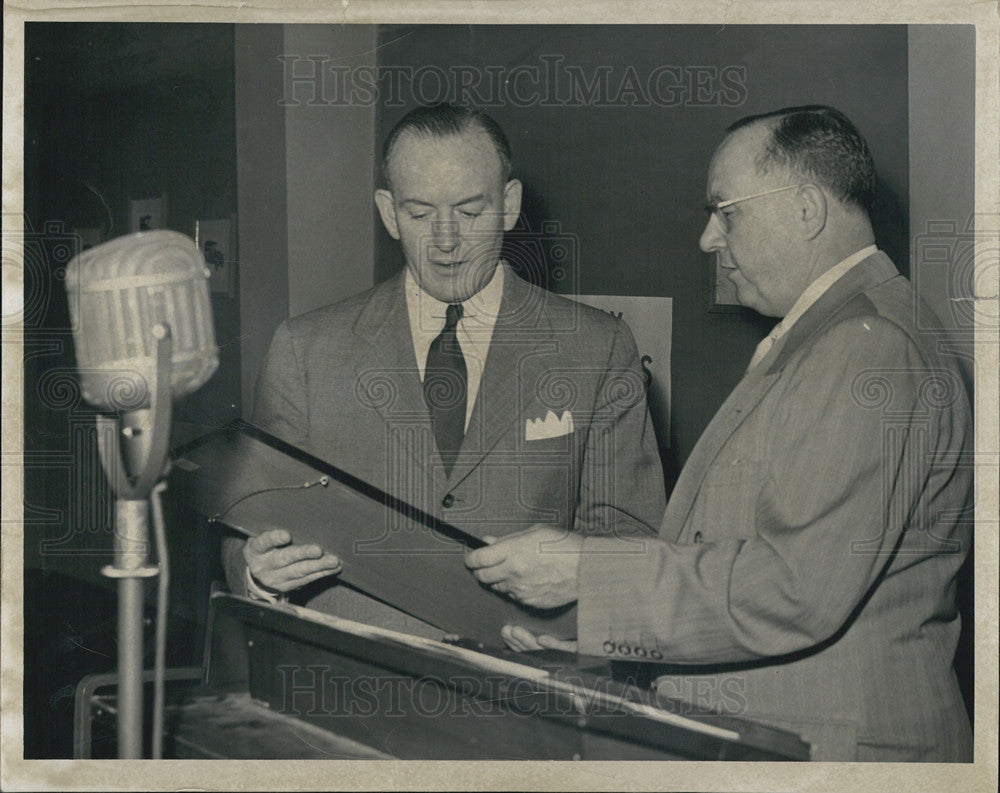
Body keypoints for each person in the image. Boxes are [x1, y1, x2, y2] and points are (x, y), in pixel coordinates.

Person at [465, 105, 973, 761]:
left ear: (806, 210)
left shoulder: (864, 346)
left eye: (726, 211)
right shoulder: (846, 329)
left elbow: (793, 587)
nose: (708, 238)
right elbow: (741, 551)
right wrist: (584, 619)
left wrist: (589, 576)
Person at [221, 104, 666, 638]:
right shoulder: (305, 349)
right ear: (388, 213)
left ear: (509, 204)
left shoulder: (597, 346)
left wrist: (572, 621)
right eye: (420, 213)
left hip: (523, 685)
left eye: (470, 211)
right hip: (352, 686)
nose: (447, 240)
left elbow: (632, 541)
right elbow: (248, 527)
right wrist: (259, 574)